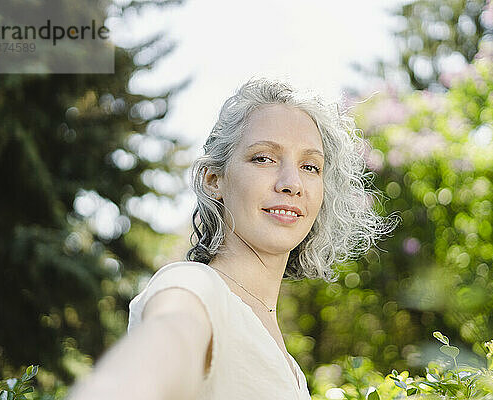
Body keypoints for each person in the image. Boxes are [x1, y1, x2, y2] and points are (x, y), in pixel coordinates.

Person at [66, 78, 394, 400]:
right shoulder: (194, 286)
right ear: (214, 181)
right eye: (263, 158)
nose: (292, 183)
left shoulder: (289, 364)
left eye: (310, 166)